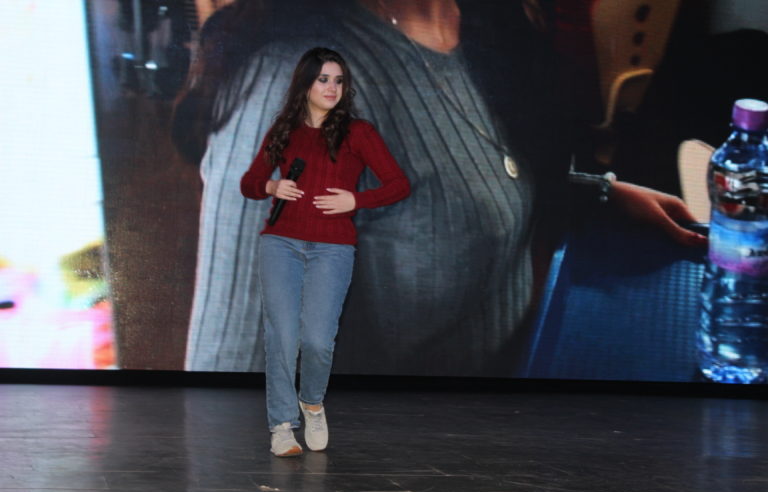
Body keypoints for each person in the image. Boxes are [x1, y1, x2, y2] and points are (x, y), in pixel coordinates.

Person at [173, 0, 705, 379]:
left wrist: (595, 195)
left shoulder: (480, 18)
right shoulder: (296, 93)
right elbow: (233, 422)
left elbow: (469, 181)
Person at [239, 47, 410, 456]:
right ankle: (282, 425)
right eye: (323, 79)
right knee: (282, 336)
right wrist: (270, 186)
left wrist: (356, 200)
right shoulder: (284, 129)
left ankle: (312, 403)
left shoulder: (358, 132)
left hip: (333, 248)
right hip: (280, 242)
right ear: (306, 83)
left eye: (338, 80)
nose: (332, 88)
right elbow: (250, 182)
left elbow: (398, 184)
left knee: (317, 340)